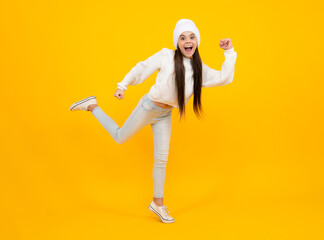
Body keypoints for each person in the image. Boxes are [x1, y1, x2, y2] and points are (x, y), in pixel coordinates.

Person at [69, 19, 237, 223]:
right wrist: (123, 85)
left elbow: (224, 78)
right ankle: (92, 106)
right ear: (177, 42)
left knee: (162, 159)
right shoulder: (166, 56)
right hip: (148, 107)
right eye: (183, 38)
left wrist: (229, 53)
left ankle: (158, 204)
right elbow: (143, 68)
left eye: (191, 37)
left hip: (165, 115)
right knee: (120, 137)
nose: (187, 41)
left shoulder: (198, 67)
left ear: (197, 41)